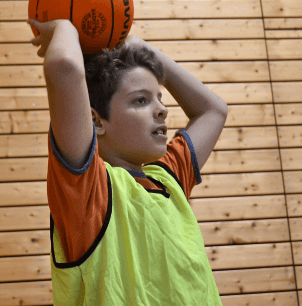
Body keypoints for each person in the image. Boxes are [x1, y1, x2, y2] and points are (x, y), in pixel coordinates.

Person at [29, 18, 227, 305]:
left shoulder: (168, 177)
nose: (161, 110)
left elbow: (214, 110)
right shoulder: (88, 193)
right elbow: (65, 67)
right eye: (140, 100)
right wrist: (66, 26)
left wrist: (144, 50)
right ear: (95, 121)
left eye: (159, 98)